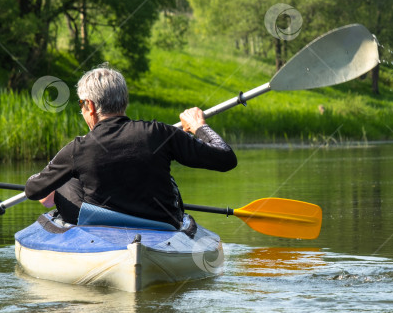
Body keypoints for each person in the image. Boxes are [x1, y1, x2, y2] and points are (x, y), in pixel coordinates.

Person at [25, 65, 237, 227]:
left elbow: (33, 190)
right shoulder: (160, 133)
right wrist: (199, 127)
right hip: (161, 223)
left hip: (103, 226)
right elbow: (225, 158)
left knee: (67, 182)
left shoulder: (78, 148)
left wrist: (57, 180)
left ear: (89, 106)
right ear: (124, 100)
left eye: (81, 105)